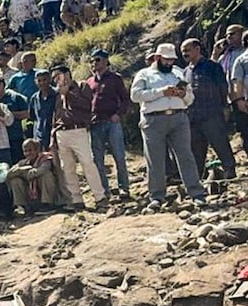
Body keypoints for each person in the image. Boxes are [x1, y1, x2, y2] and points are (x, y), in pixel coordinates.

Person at [132, 43, 207, 209]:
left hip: (178, 117)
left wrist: (183, 94)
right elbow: (135, 95)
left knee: (186, 155)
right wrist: (161, 92)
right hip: (153, 120)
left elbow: (190, 98)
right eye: (166, 60)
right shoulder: (144, 74)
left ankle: (196, 193)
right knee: (155, 159)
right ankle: (157, 197)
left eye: (171, 60)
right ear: (157, 58)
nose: (169, 63)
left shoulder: (179, 72)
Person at [52, 64, 107, 210]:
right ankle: (76, 199)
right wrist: (53, 135)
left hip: (78, 130)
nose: (57, 80)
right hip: (61, 132)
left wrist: (68, 94)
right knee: (68, 168)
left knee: (87, 163)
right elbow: (56, 113)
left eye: (59, 76)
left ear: (67, 75)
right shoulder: (57, 93)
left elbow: (86, 106)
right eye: (55, 78)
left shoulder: (82, 86)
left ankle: (100, 197)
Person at [182, 38, 237, 179]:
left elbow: (222, 87)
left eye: (187, 50)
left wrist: (225, 107)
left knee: (221, 144)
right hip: (193, 117)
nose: (185, 53)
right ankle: (198, 179)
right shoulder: (185, 71)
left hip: (212, 114)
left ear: (197, 49)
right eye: (183, 51)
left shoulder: (212, 66)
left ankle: (230, 173)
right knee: (196, 151)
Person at [87, 48, 132, 198]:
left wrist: (118, 114)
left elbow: (125, 99)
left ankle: (124, 188)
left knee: (119, 156)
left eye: (97, 59)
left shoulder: (115, 78)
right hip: (95, 123)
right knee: (98, 159)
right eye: (92, 60)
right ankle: (104, 190)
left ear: (106, 61)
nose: (94, 63)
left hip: (112, 122)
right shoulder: (89, 81)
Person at [7, 138, 62, 214]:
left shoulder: (45, 159)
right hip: (32, 197)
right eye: (25, 151)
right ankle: (25, 207)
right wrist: (22, 170)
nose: (28, 153)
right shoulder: (23, 162)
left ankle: (48, 205)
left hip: (48, 195)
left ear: (37, 150)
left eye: (30, 150)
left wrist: (28, 173)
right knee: (15, 180)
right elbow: (9, 174)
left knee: (46, 175)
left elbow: (43, 170)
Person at [0, 76, 31, 158]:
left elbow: (28, 113)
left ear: (2, 85)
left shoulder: (15, 97)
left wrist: (8, 114)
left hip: (15, 138)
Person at [29, 70, 58, 148]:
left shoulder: (57, 95)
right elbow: (33, 117)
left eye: (44, 80)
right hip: (40, 136)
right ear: (35, 82)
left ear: (50, 79)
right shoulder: (34, 98)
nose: (42, 83)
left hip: (56, 135)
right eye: (39, 81)